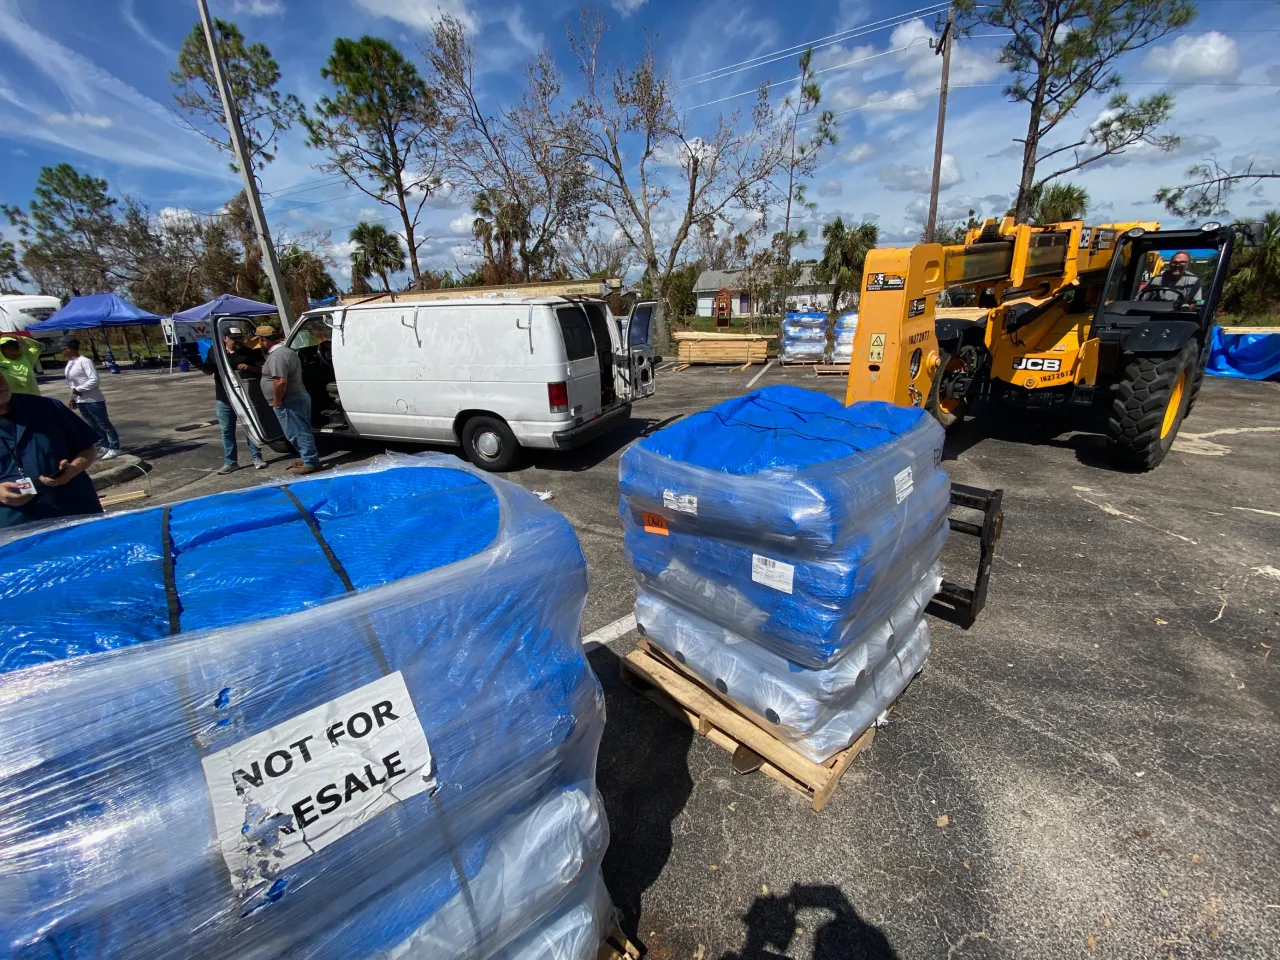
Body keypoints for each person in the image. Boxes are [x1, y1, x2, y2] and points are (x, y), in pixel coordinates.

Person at [0, 371, 102, 528]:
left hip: (76, 512)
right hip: (17, 526)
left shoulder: (47, 408)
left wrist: (73, 469)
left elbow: (88, 448)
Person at [199, 324, 267, 475]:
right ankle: (231, 462)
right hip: (224, 397)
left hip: (245, 397)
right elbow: (210, 370)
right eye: (233, 338)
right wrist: (204, 368)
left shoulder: (249, 353)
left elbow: (263, 370)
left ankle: (257, 457)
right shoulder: (215, 352)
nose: (237, 341)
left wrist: (249, 368)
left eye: (239, 338)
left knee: (249, 426)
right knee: (227, 430)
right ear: (224, 339)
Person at [256, 325, 322, 475]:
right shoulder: (285, 352)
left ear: (264, 340)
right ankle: (308, 458)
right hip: (296, 398)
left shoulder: (278, 356)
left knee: (297, 433)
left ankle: (311, 462)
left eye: (260, 340)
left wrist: (277, 401)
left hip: (290, 400)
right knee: (299, 431)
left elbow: (280, 381)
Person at [60, 338, 122, 461]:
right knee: (93, 425)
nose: (61, 351)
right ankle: (104, 445)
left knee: (104, 424)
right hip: (81, 400)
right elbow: (72, 384)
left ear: (69, 349)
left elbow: (94, 379)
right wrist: (73, 398)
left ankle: (115, 447)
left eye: (62, 349)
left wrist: (80, 389)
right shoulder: (70, 364)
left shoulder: (85, 361)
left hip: (93, 400)